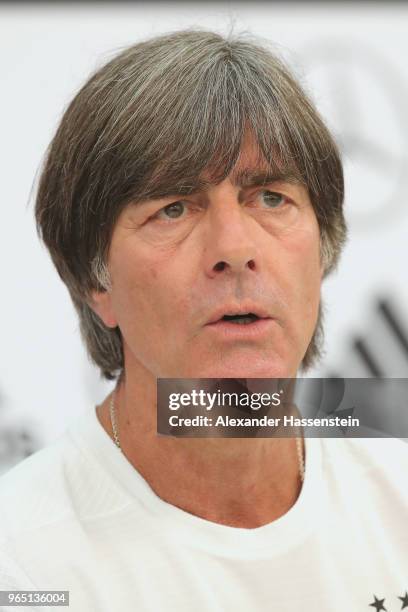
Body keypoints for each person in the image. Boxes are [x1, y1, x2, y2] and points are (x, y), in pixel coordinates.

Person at [1, 29, 407, 612]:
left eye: (270, 198)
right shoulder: (21, 565)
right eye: (173, 208)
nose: (235, 247)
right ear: (96, 283)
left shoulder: (398, 499)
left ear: (324, 251)